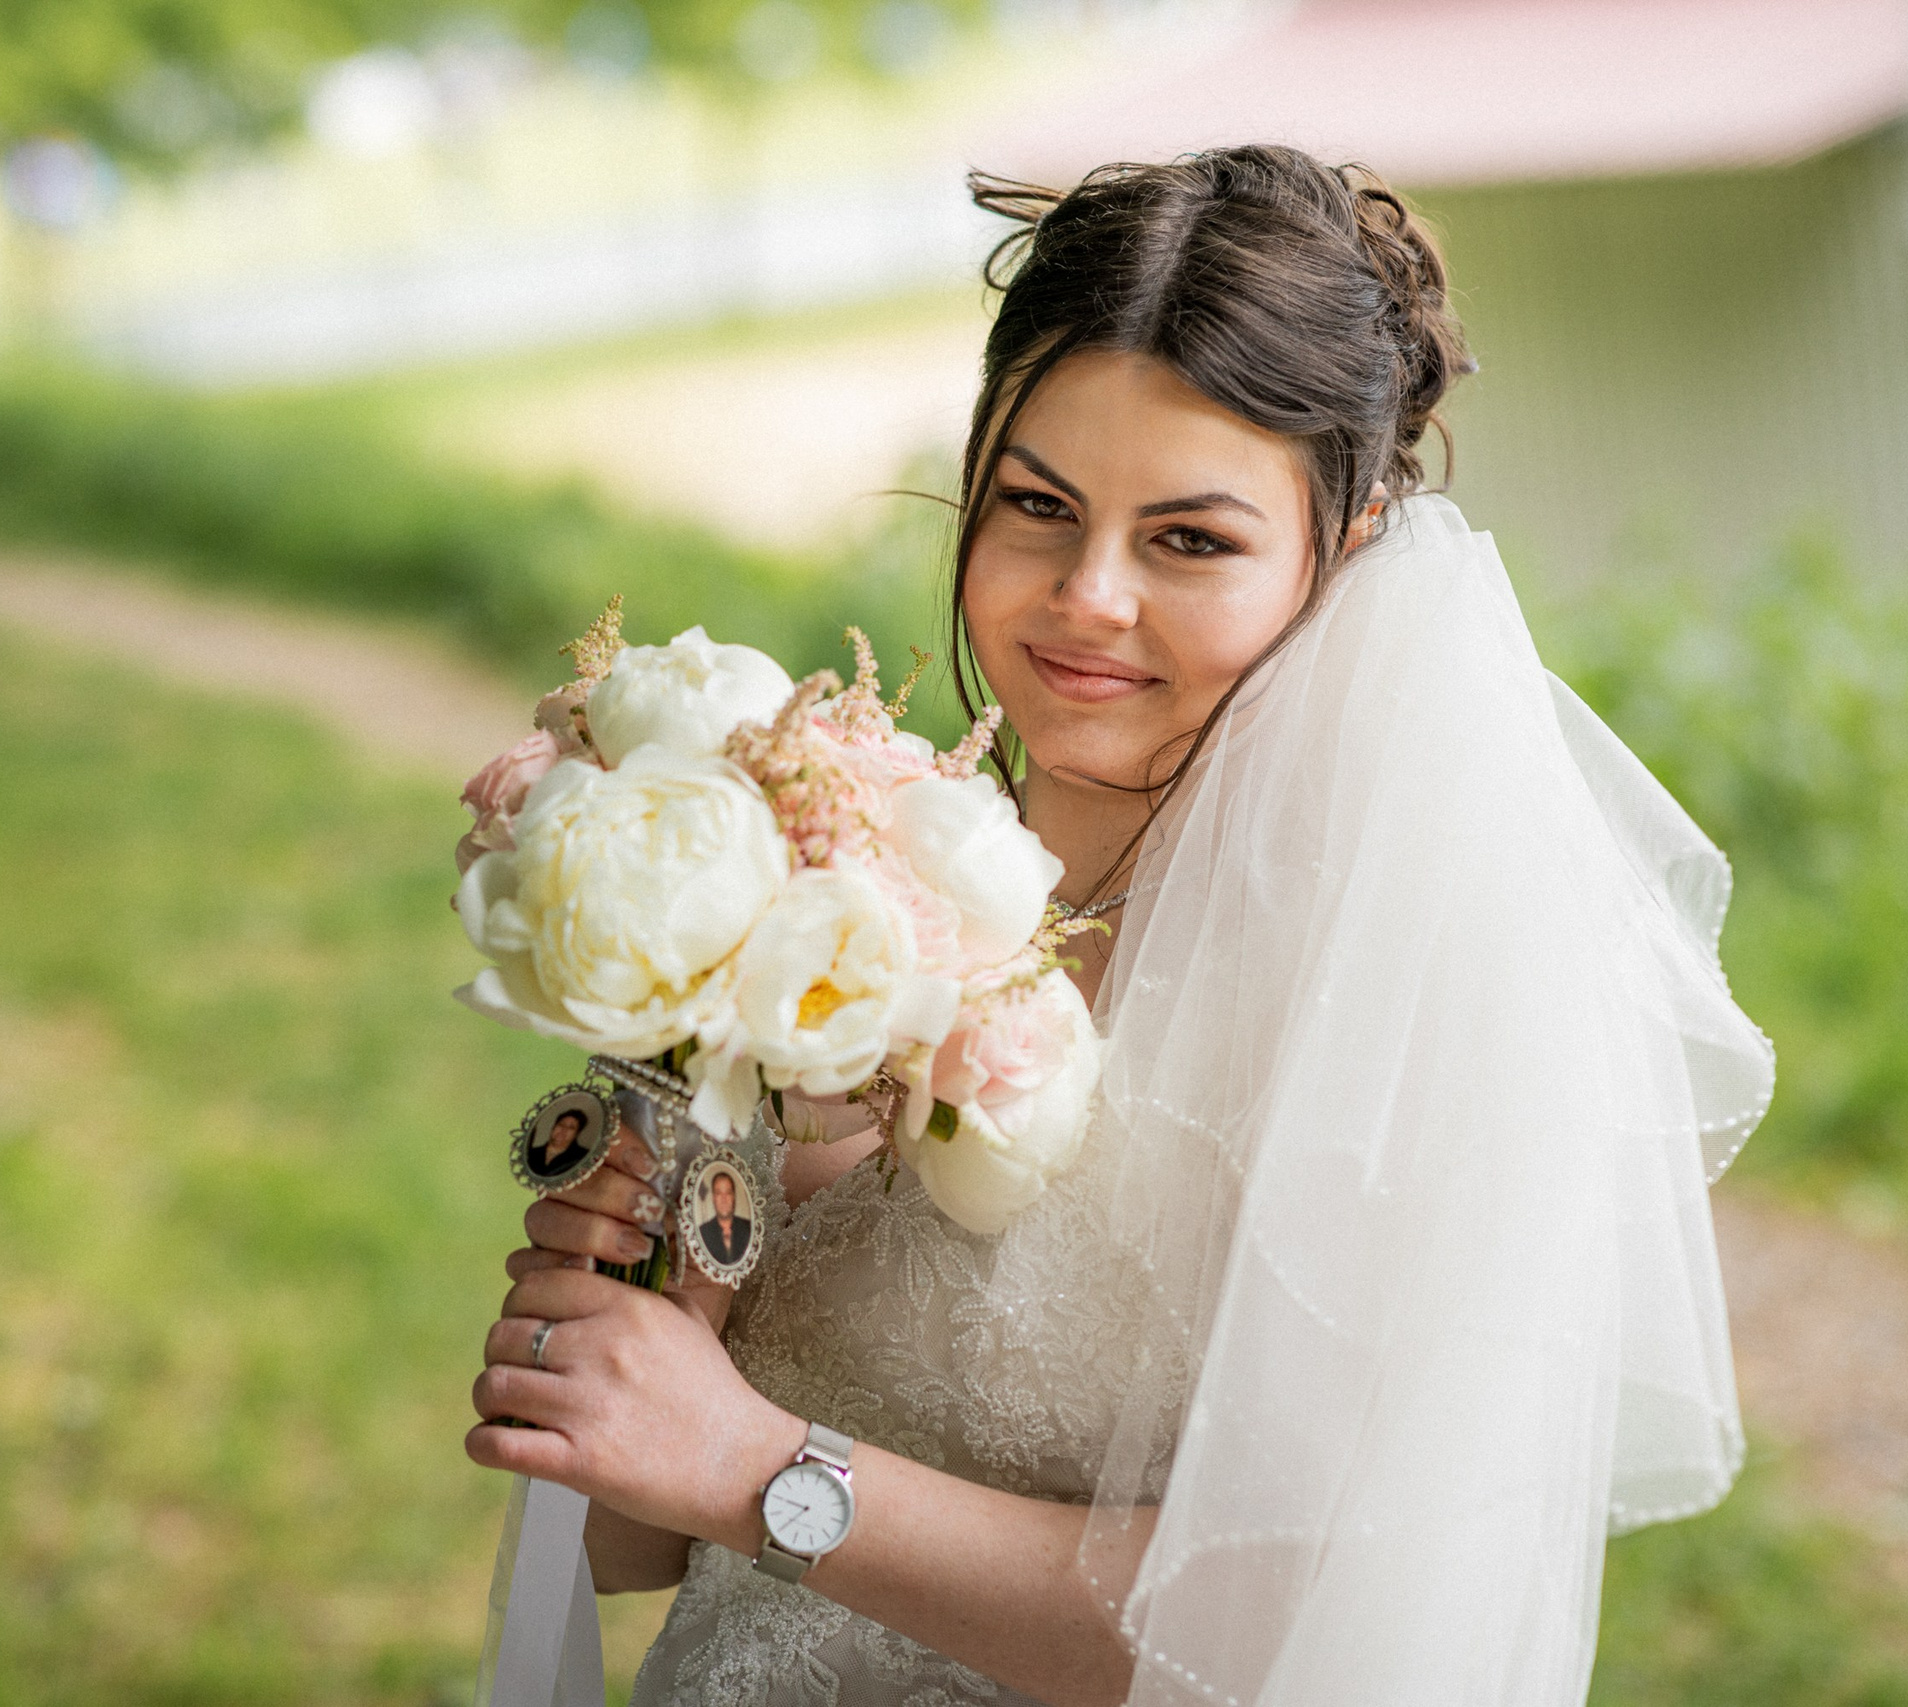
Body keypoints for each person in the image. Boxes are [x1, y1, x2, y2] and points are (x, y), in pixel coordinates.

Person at [468, 145, 1772, 1707]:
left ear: (1337, 550)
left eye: (1190, 539)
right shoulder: (837, 901)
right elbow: (632, 1534)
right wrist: (644, 1309)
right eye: (1039, 505)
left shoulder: (1416, 997)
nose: (1087, 596)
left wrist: (766, 1468)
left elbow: (1322, 1622)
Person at [698, 1169, 752, 1269]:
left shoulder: (748, 1228)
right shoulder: (703, 1231)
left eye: (728, 1193)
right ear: (713, 1198)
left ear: (733, 1197)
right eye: (719, 1193)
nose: (724, 1199)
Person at [528, 1105, 589, 1180]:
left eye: (571, 1127)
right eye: (561, 1124)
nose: (564, 1129)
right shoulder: (531, 1153)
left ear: (576, 1134)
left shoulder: (583, 1158)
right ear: (553, 1127)